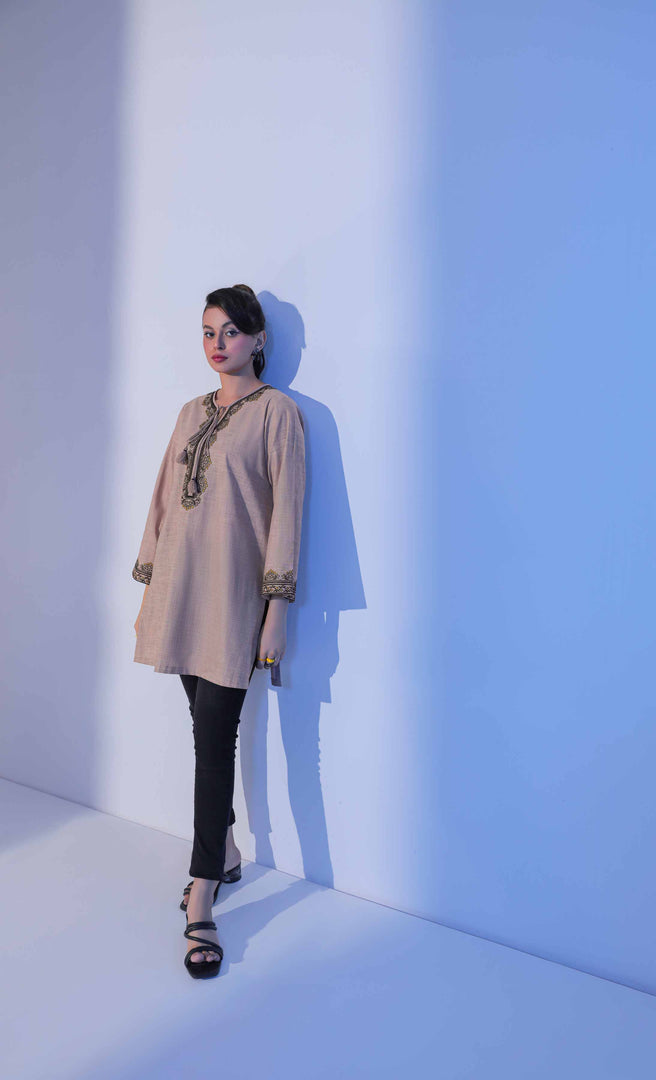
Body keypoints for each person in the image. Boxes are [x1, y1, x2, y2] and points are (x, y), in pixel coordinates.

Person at [132, 283, 306, 978]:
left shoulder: (278, 414)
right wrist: (151, 585)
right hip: (180, 592)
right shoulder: (189, 412)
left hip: (233, 600)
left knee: (214, 740)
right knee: (204, 732)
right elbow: (161, 500)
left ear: (257, 339)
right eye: (208, 332)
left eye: (230, 331)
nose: (217, 344)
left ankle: (202, 886)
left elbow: (287, 511)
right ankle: (227, 851)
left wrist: (277, 610)